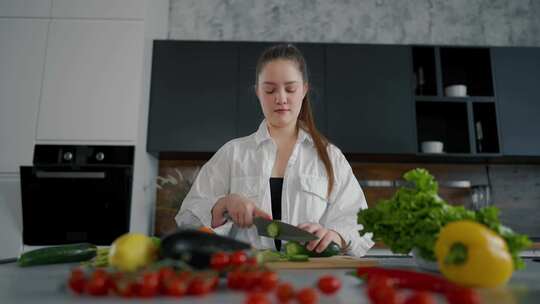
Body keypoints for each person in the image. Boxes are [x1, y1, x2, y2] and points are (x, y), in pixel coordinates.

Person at [175, 44, 373, 257]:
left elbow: (363, 226)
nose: (281, 98)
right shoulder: (231, 154)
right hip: (245, 275)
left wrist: (336, 235)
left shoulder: (330, 156)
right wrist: (223, 204)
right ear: (258, 92)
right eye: (270, 90)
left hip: (312, 278)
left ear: (304, 90)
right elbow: (186, 220)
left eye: (290, 89)